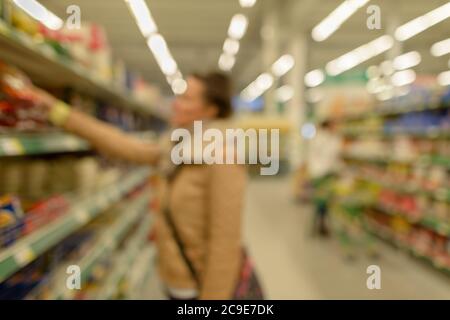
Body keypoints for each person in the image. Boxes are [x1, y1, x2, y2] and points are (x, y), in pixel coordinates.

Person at [25, 71, 247, 300]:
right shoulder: (177, 146)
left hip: (199, 287)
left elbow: (226, 241)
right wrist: (56, 110)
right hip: (174, 279)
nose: (176, 105)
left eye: (186, 99)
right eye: (178, 97)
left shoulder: (223, 156)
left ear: (211, 110)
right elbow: (124, 145)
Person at [306, 120, 342, 237]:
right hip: (323, 173)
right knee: (323, 199)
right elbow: (331, 156)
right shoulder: (327, 139)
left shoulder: (317, 138)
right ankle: (321, 224)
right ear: (328, 126)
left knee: (322, 199)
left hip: (318, 172)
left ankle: (320, 224)